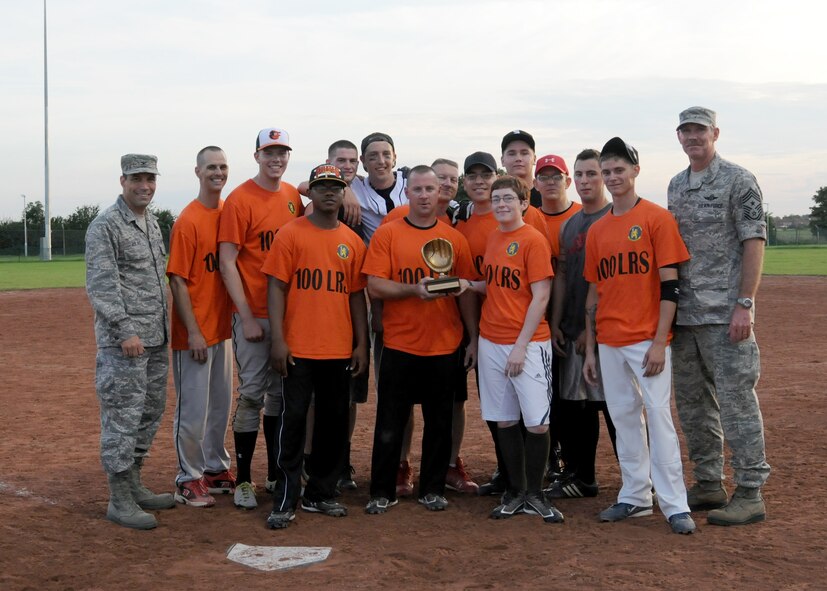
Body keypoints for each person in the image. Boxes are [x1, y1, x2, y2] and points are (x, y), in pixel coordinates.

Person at [582, 137, 696, 535]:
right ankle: (635, 496)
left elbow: (671, 286)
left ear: (635, 171)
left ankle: (675, 503)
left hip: (647, 338)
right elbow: (594, 293)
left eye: (619, 170)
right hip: (610, 339)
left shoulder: (656, 219)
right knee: (624, 416)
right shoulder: (598, 230)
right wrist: (592, 350)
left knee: (659, 417)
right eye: (606, 172)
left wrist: (659, 340)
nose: (613, 178)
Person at [668, 106, 770, 526]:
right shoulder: (676, 185)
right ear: (679, 136)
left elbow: (754, 240)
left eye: (700, 130)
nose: (693, 137)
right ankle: (709, 481)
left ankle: (750, 490)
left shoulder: (738, 180)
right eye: (686, 130)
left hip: (726, 313)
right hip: (687, 316)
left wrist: (744, 303)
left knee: (735, 402)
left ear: (715, 133)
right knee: (693, 405)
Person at [362, 165, 477, 514]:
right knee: (390, 421)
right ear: (407, 193)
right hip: (400, 342)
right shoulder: (388, 234)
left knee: (440, 421)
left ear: (441, 194)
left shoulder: (455, 240)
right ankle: (383, 490)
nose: (426, 195)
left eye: (431, 189)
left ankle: (432, 488)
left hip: (444, 343)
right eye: (419, 189)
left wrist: (472, 338)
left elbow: (466, 291)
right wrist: (414, 290)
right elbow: (374, 284)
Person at [262, 164, 368, 529]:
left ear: (342, 193)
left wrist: (361, 344)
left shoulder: (352, 242)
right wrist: (278, 339)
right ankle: (286, 497)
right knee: (292, 421)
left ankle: (320, 493)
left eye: (335, 187)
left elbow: (357, 297)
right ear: (312, 191)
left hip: (338, 348)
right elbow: (275, 287)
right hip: (298, 347)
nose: (328, 192)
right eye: (321, 185)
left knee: (333, 423)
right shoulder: (291, 234)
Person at [465, 175, 563, 523]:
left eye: (509, 198)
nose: (502, 204)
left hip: (528, 342)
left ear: (524, 203)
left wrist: (521, 346)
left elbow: (541, 296)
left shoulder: (532, 240)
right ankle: (516, 491)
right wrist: (467, 284)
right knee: (505, 419)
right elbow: (496, 286)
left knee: (536, 422)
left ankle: (536, 494)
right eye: (497, 199)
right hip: (492, 338)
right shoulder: (494, 237)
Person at [85, 153, 175, 529]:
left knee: (149, 413)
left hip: (155, 339)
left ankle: (134, 481)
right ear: (122, 180)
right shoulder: (105, 225)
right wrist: (125, 330)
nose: (145, 186)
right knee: (122, 418)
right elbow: (102, 285)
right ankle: (118, 498)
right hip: (125, 344)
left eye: (150, 179)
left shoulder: (151, 222)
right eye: (137, 178)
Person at [218, 127, 303, 510]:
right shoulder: (239, 199)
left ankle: (273, 472)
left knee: (279, 397)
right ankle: (245, 479)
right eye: (269, 152)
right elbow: (227, 261)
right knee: (252, 394)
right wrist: (247, 317)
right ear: (256, 157)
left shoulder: (291, 197)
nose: (276, 159)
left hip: (287, 314)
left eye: (282, 152)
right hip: (254, 312)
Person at [167, 146, 235, 508]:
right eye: (211, 167)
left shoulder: (227, 213)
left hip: (222, 329)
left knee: (220, 405)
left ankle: (214, 468)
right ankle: (187, 478)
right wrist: (193, 330)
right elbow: (177, 281)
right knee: (193, 410)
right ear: (197, 172)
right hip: (193, 332)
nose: (218, 173)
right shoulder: (188, 220)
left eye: (223, 167)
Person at [547, 149, 617, 499]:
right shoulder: (571, 224)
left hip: (606, 334)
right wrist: (557, 323)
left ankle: (641, 481)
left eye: (593, 173)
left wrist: (593, 333)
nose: (587, 181)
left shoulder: (614, 217)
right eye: (581, 174)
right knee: (579, 406)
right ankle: (582, 476)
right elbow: (562, 275)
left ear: (604, 176)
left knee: (616, 407)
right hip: (573, 330)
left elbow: (610, 283)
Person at [534, 153, 582, 484]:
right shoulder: (530, 219)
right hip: (538, 325)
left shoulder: (582, 217)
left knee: (575, 401)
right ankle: (551, 462)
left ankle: (577, 465)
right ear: (535, 184)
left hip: (575, 322)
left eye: (557, 176)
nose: (551, 182)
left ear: (568, 181)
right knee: (544, 398)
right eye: (544, 177)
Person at [501, 130, 542, 207]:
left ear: (534, 159)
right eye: (512, 154)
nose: (518, 158)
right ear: (502, 160)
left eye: (524, 153)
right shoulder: (495, 202)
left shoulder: (547, 199)